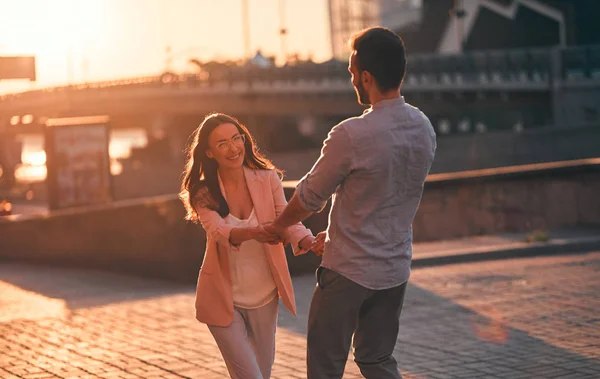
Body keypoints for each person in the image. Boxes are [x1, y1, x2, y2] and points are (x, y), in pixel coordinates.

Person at [265, 27, 437, 378]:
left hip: (348, 271)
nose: (351, 79)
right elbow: (386, 191)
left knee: (325, 368)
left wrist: (278, 225)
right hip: (395, 269)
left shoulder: (351, 134)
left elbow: (309, 197)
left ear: (367, 77)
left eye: (352, 72)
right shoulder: (423, 126)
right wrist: (336, 229)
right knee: (376, 360)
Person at [179, 112, 315, 379]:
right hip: (221, 299)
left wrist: (309, 240)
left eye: (236, 138)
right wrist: (256, 232)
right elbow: (219, 232)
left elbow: (285, 218)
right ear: (209, 152)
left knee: (261, 374)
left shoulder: (267, 179)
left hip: (264, 297)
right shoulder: (203, 192)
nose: (233, 148)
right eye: (222, 144)